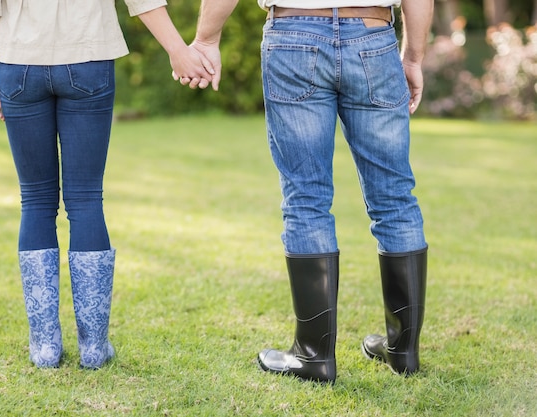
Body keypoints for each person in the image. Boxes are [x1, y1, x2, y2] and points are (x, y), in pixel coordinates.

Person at [182, 0, 433, 383]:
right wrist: (413, 56)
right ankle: (404, 350)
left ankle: (313, 355)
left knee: (307, 198)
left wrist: (206, 38)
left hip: (293, 37)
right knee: (395, 198)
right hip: (373, 36)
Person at [0, 0, 214, 369]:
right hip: (89, 56)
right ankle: (94, 348)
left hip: (18, 60)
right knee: (85, 200)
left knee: (35, 201)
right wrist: (178, 50)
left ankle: (46, 348)